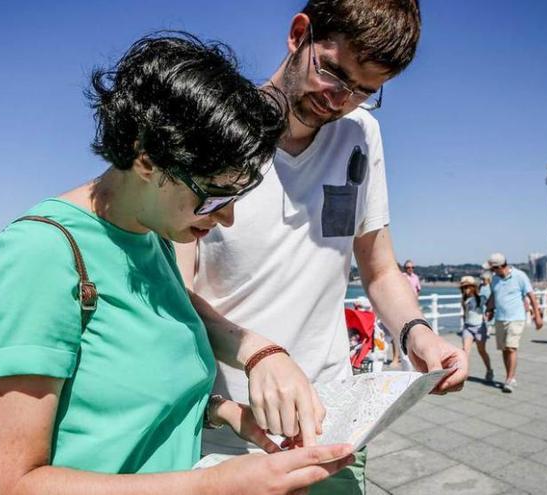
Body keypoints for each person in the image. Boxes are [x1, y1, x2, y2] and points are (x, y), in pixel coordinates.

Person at [0, 34, 354, 495]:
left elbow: (114, 392)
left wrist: (220, 408)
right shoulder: (36, 258)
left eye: (238, 197)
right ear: (147, 161)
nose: (226, 217)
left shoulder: (152, 235)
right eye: (215, 195)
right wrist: (213, 486)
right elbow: (11, 484)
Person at [175, 2, 468, 493]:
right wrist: (259, 352)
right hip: (225, 426)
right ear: (298, 35)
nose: (339, 100)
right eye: (333, 72)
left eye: (364, 91)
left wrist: (418, 334)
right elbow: (174, 289)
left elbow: (378, 270)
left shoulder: (360, 134)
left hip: (334, 422)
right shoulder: (214, 127)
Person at [483, 253, 543, 393]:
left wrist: (537, 316)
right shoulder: (495, 279)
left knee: (511, 348)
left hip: (516, 318)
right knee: (504, 349)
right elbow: (494, 295)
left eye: (492, 268)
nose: (491, 271)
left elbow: (531, 296)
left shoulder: (520, 276)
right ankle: (509, 376)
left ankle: (510, 379)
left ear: (498, 267)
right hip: (500, 318)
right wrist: (490, 309)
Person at [459, 276, 492, 382]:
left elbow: (490, 300)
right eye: (463, 287)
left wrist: (489, 314)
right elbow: (465, 314)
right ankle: (464, 373)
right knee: (465, 351)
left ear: (473, 287)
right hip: (468, 327)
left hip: (479, 327)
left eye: (467, 287)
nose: (465, 289)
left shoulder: (480, 298)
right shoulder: (464, 299)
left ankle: (489, 370)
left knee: (481, 350)